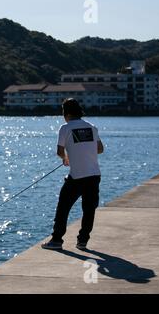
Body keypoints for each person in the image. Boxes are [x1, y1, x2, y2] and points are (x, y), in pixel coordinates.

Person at [42, 98, 104, 251]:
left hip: (76, 177)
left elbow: (59, 151)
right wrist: (85, 150)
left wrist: (66, 158)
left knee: (63, 207)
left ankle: (57, 240)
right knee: (89, 210)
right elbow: (100, 149)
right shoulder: (91, 127)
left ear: (66, 113)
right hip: (94, 175)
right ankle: (82, 241)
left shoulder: (65, 128)